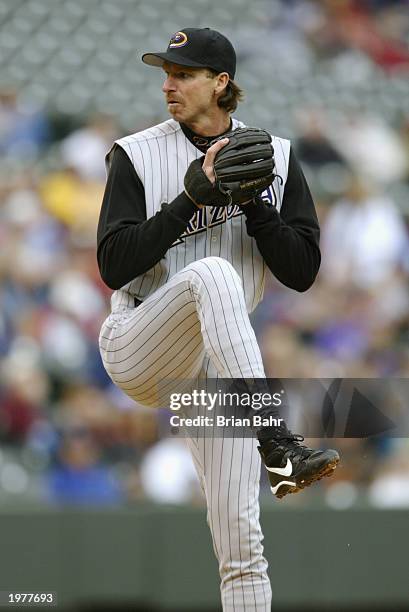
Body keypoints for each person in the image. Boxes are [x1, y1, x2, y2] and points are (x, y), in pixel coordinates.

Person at [97, 27, 339, 612]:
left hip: (216, 372)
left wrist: (255, 204)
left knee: (242, 549)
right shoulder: (137, 154)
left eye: (182, 74)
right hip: (140, 344)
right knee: (213, 274)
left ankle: (277, 460)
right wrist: (191, 200)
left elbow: (302, 271)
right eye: (166, 73)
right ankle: (278, 444)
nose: (169, 84)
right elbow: (113, 264)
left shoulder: (276, 157)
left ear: (221, 83)